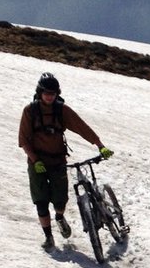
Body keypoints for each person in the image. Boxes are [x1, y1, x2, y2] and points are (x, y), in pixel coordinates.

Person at [18, 72, 114, 250]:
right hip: (36, 162)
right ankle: (48, 237)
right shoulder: (29, 111)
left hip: (57, 161)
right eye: (46, 93)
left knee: (60, 201)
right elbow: (24, 140)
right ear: (39, 92)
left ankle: (60, 217)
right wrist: (35, 160)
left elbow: (82, 128)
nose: (49, 96)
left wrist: (100, 145)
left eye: (53, 94)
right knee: (41, 201)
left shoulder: (62, 110)